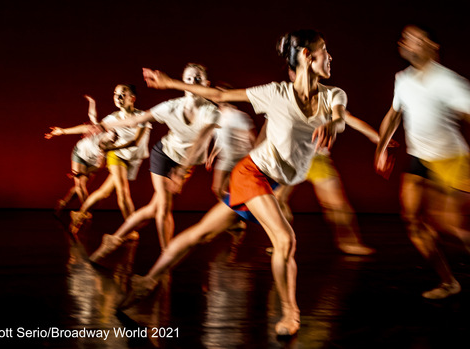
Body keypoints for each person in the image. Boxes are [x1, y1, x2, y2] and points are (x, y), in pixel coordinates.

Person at [115, 29, 346, 337]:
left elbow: (340, 117)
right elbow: (222, 96)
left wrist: (331, 122)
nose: (330, 57)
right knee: (285, 240)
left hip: (271, 184)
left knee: (200, 234)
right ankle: (291, 313)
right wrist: (170, 82)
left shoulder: (334, 95)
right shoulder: (275, 93)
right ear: (306, 56)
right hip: (252, 174)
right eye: (324, 51)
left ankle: (148, 281)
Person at [375, 25, 470, 299]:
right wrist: (381, 149)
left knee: (453, 228)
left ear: (433, 47)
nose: (407, 42)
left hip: (451, 160)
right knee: (412, 222)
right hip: (419, 158)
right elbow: (394, 115)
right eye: (405, 38)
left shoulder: (449, 81)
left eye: (416, 38)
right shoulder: (403, 79)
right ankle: (448, 282)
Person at [87, 63, 221, 254]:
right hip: (164, 155)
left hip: (185, 163)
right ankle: (166, 256)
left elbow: (200, 140)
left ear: (206, 84)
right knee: (164, 206)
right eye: (189, 79)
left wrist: (182, 169)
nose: (193, 82)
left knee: (153, 208)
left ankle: (115, 238)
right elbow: (135, 120)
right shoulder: (171, 106)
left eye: (198, 79)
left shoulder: (211, 111)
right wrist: (102, 127)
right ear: (183, 82)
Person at [275, 110, 392, 255]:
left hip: (316, 160)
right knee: (277, 199)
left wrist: (377, 137)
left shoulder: (329, 104)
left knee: (337, 205)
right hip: (294, 161)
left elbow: (350, 119)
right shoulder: (291, 102)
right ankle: (281, 242)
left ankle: (349, 242)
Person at [69, 84, 151, 233]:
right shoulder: (112, 118)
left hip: (131, 159)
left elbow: (136, 142)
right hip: (116, 156)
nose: (118, 98)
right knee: (123, 192)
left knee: (104, 192)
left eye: (122, 95)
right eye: (115, 94)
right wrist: (64, 131)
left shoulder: (142, 117)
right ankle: (129, 230)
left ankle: (79, 214)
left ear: (132, 98)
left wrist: (109, 147)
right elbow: (92, 126)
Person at [45, 96, 116, 214]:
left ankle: (63, 202)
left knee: (80, 186)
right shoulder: (98, 130)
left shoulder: (109, 149)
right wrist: (62, 131)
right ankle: (85, 213)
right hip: (80, 154)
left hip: (92, 163)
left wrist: (82, 173)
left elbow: (99, 166)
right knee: (80, 186)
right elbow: (91, 117)